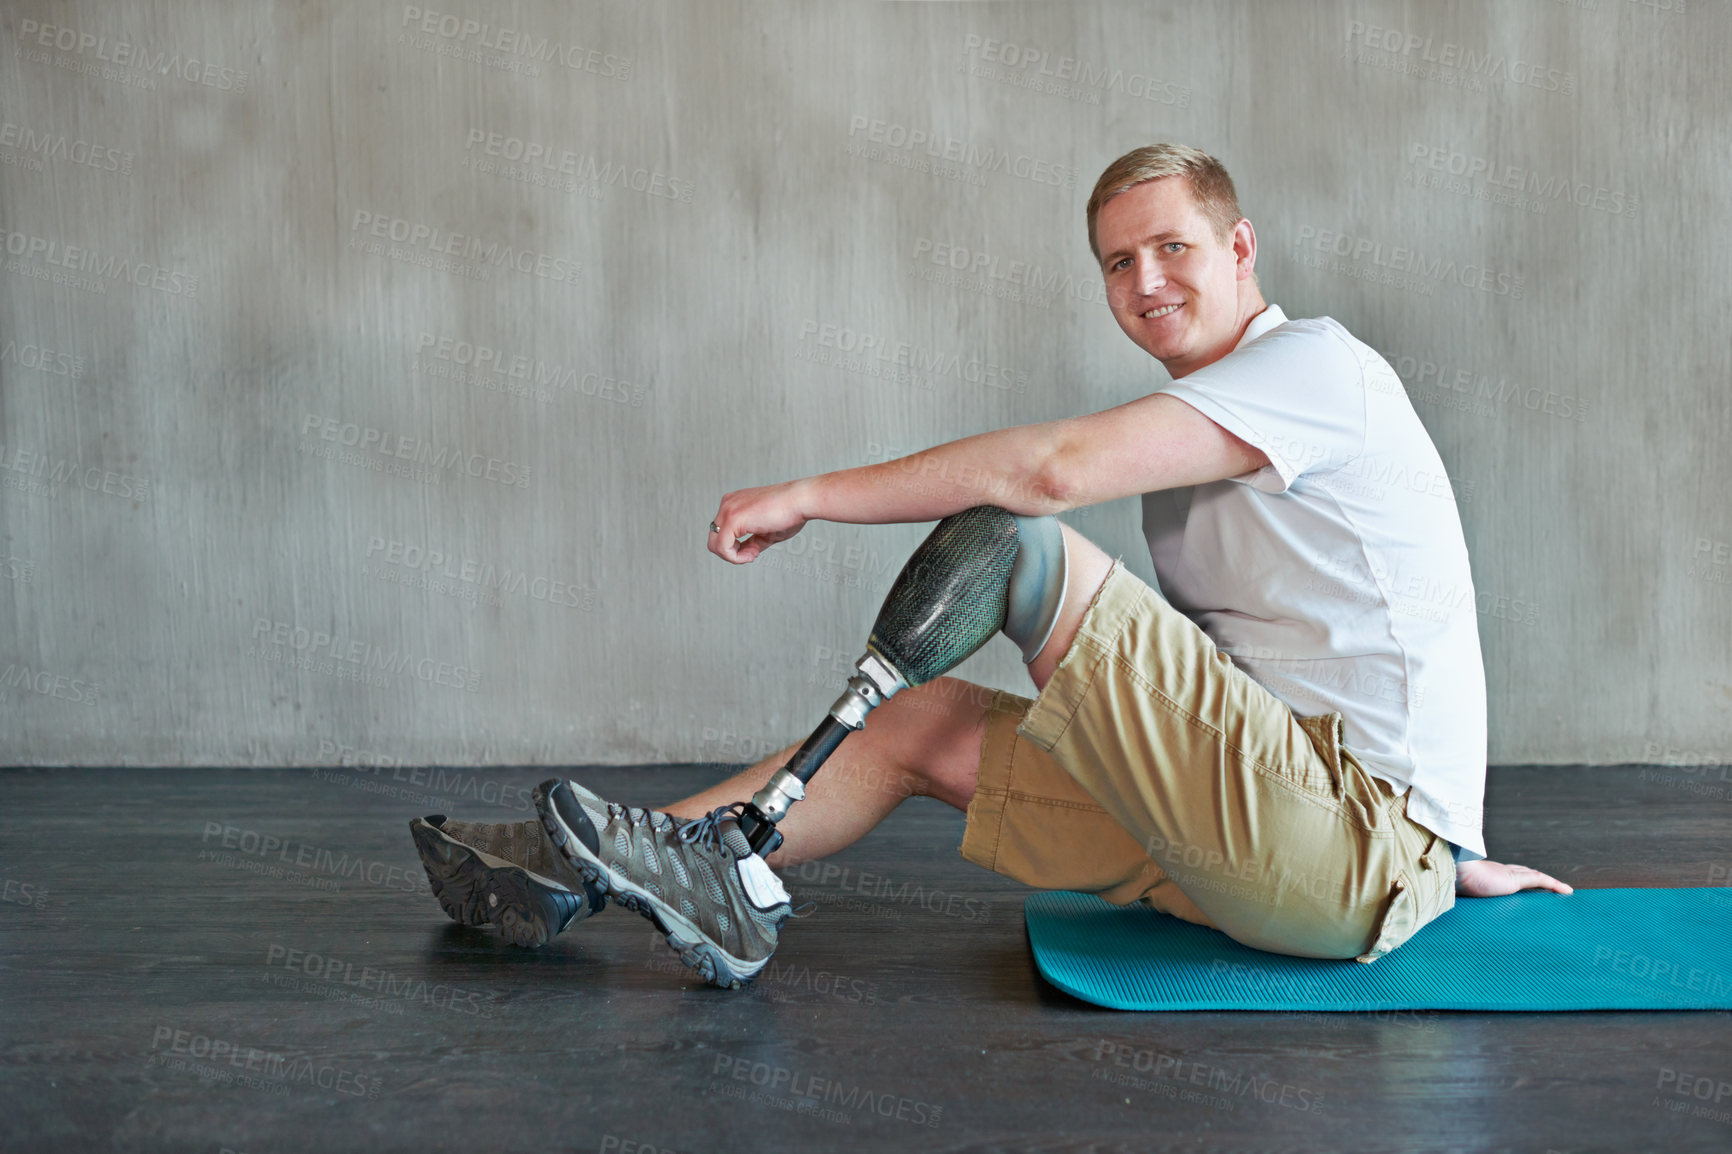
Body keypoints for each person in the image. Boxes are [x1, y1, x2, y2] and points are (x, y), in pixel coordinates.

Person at [411, 143, 1571, 989]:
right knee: (917, 725)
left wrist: (810, 495)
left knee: (1020, 536)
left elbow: (1050, 474)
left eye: (1173, 247)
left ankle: (691, 868)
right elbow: (1338, 650)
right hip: (1272, 837)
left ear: (1239, 246)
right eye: (1119, 263)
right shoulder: (1207, 422)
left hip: (1342, 841)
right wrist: (1446, 852)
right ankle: (596, 861)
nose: (1148, 281)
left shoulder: (1318, 369)